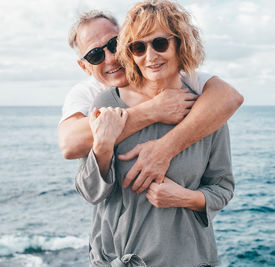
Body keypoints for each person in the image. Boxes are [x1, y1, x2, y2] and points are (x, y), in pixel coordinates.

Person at [75, 0, 235, 266]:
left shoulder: (206, 112)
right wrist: (102, 148)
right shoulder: (107, 103)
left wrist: (185, 197)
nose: (150, 56)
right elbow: (89, 193)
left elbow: (223, 188)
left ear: (180, 44)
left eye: (159, 43)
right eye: (138, 47)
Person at [58, 10, 243, 192]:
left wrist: (166, 148)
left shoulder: (171, 75)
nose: (112, 58)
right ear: (85, 67)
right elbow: (69, 145)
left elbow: (228, 97)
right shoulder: (92, 94)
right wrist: (152, 110)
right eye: (95, 55)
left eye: (114, 45)